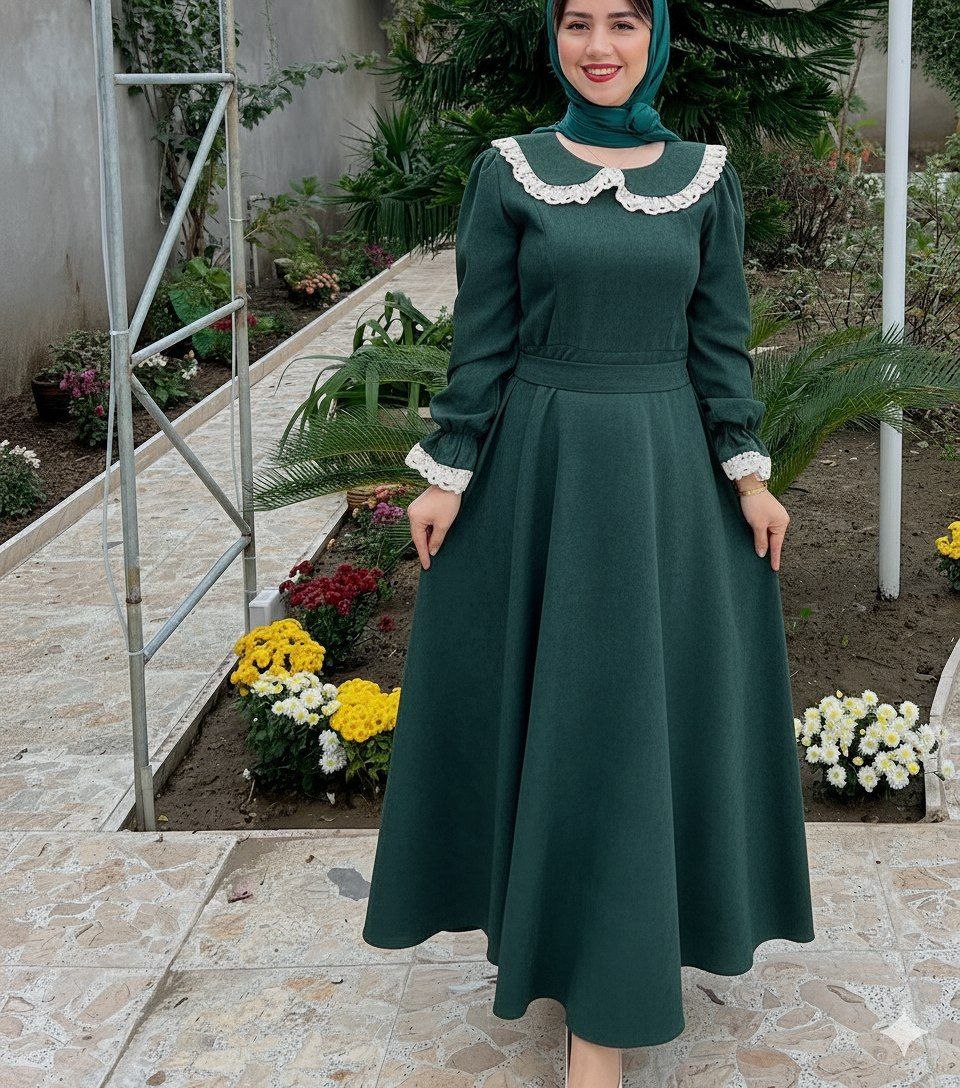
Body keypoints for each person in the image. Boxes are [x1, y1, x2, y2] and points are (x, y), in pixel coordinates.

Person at [361, 0, 816, 1084]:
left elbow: (720, 340)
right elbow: (483, 337)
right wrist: (448, 469)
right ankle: (581, 985)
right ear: (553, 37)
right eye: (577, 23)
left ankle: (611, 992)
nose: (599, 47)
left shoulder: (704, 177)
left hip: (666, 486)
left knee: (635, 730)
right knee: (567, 728)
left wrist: (749, 473)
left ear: (656, 37)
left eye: (622, 22)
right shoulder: (510, 172)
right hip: (542, 478)